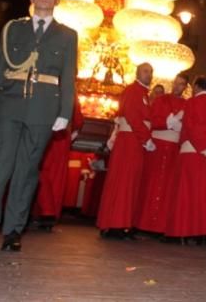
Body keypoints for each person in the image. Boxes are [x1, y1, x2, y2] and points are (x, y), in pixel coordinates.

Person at [0, 0, 77, 253]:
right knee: (0, 165)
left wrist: (65, 111)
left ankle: (13, 230)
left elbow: (68, 75)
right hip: (9, 103)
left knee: (27, 169)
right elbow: (2, 64)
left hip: (43, 108)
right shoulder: (13, 29)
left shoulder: (67, 35)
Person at [165, 77, 206, 242]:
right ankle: (202, 233)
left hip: (191, 154)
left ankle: (182, 232)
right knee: (205, 195)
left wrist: (202, 144)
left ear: (196, 87)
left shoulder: (191, 103)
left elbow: (190, 125)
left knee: (186, 193)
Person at [97, 63, 153, 239]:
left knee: (130, 182)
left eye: (151, 72)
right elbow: (133, 116)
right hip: (130, 141)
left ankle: (122, 223)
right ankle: (116, 224)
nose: (149, 75)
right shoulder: (133, 91)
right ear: (137, 72)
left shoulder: (142, 93)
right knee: (124, 181)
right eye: (145, 71)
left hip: (134, 141)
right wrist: (146, 138)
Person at [135, 71, 188, 234]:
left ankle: (161, 226)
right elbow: (153, 120)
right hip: (157, 147)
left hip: (174, 150)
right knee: (150, 184)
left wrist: (182, 128)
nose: (176, 86)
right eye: (175, 82)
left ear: (185, 87)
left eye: (180, 84)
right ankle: (143, 224)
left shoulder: (188, 105)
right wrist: (167, 122)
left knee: (168, 188)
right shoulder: (160, 100)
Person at [31, 99, 84, 231]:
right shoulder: (70, 94)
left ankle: (44, 212)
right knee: (56, 177)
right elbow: (78, 120)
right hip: (62, 136)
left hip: (46, 134)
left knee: (41, 172)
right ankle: (50, 213)